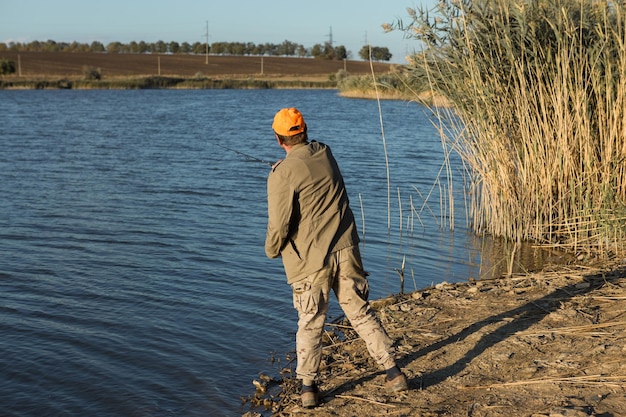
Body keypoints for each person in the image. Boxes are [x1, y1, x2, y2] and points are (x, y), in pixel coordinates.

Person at [265, 107, 408, 408]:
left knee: (311, 321)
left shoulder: (282, 173)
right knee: (359, 312)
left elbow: (279, 226)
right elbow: (308, 159)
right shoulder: (325, 152)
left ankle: (307, 389)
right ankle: (393, 371)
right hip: (346, 250)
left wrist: (271, 249)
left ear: (279, 139)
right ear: (304, 131)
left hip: (311, 261)